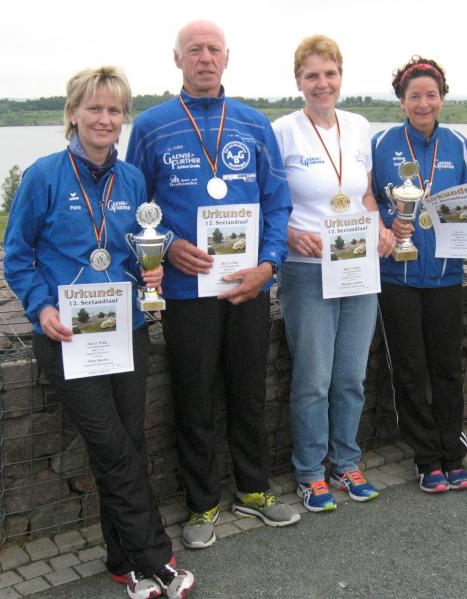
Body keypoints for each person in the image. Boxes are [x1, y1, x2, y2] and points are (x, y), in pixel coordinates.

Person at [4, 66, 194, 599]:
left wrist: (150, 271)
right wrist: (40, 308)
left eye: (114, 110)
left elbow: (136, 249)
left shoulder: (131, 180)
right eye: (94, 108)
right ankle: (156, 558)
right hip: (67, 335)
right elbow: (17, 256)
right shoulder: (43, 176)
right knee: (112, 447)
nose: (104, 119)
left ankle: (121, 561)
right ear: (73, 114)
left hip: (124, 328)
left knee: (129, 443)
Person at [126, 20, 299, 548]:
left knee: (248, 392)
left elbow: (277, 202)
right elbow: (134, 206)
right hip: (185, 290)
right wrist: (167, 244)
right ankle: (202, 505)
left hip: (248, 285)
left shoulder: (253, 123)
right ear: (177, 58)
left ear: (227, 58)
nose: (205, 57)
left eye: (214, 50)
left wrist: (269, 265)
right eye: (195, 50)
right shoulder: (151, 126)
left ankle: (253, 489)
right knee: (194, 397)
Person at [271, 35, 395, 512]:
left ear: (340, 76)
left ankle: (345, 462)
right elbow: (269, 201)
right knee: (313, 379)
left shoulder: (359, 126)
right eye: (312, 75)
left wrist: (381, 228)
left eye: (329, 73)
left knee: (351, 377)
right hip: (307, 269)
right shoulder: (282, 131)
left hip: (357, 265)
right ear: (298, 81)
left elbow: (364, 195)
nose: (322, 83)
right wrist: (288, 235)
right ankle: (309, 471)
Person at [372, 57, 467, 494]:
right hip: (397, 276)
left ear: (442, 98)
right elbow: (369, 200)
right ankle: (427, 459)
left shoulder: (458, 143)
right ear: (402, 101)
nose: (423, 103)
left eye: (431, 95)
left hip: (445, 274)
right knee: (409, 370)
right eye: (414, 96)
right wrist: (388, 221)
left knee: (446, 368)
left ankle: (452, 453)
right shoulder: (381, 143)